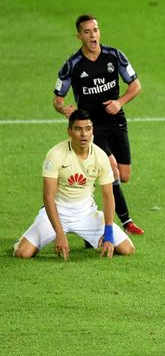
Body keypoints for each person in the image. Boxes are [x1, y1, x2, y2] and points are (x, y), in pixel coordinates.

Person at [53, 14, 144, 236]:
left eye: (95, 30)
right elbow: (58, 99)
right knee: (111, 170)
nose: (93, 35)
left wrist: (120, 102)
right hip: (92, 127)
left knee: (123, 176)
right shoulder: (72, 65)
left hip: (116, 122)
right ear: (79, 36)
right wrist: (64, 109)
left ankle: (90, 202)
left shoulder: (115, 56)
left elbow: (136, 85)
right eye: (87, 31)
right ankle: (123, 221)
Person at [13, 109, 135, 259]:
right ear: (69, 131)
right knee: (22, 253)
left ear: (92, 131)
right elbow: (48, 197)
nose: (83, 134)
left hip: (86, 215)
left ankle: (91, 238)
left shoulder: (101, 156)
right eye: (78, 129)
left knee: (127, 249)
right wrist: (59, 233)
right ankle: (23, 239)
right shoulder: (55, 154)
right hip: (57, 214)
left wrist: (108, 233)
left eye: (87, 129)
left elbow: (108, 196)